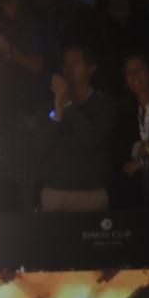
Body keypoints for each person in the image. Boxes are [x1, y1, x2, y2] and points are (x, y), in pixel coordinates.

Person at [39, 43, 117, 213]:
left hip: (91, 194)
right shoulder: (50, 104)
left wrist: (67, 103)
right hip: (55, 191)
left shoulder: (104, 104)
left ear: (91, 68)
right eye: (65, 63)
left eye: (76, 62)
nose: (69, 68)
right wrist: (58, 112)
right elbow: (40, 146)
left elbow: (92, 139)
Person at [116, 51, 149, 209]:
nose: (133, 75)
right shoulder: (123, 116)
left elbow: (143, 151)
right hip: (133, 198)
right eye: (128, 71)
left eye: (138, 70)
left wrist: (142, 158)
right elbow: (125, 157)